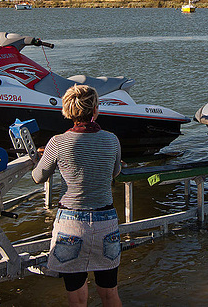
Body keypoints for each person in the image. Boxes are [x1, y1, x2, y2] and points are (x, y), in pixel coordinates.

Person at [32, 84, 122, 307]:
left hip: (71, 223)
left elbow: (38, 177)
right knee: (109, 293)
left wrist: (42, 157)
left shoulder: (57, 142)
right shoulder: (112, 140)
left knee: (77, 298)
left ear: (67, 111)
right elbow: (115, 172)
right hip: (106, 222)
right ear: (95, 110)